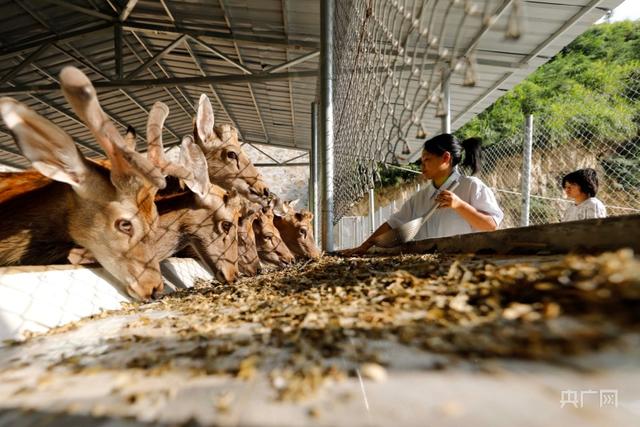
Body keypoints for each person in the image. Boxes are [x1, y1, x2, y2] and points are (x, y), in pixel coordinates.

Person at [340, 134, 504, 256]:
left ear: (446, 158)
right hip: (428, 265)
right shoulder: (420, 198)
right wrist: (364, 247)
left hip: (463, 261)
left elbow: (491, 225)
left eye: (427, 160)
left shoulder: (471, 186)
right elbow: (392, 224)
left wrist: (459, 205)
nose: (422, 166)